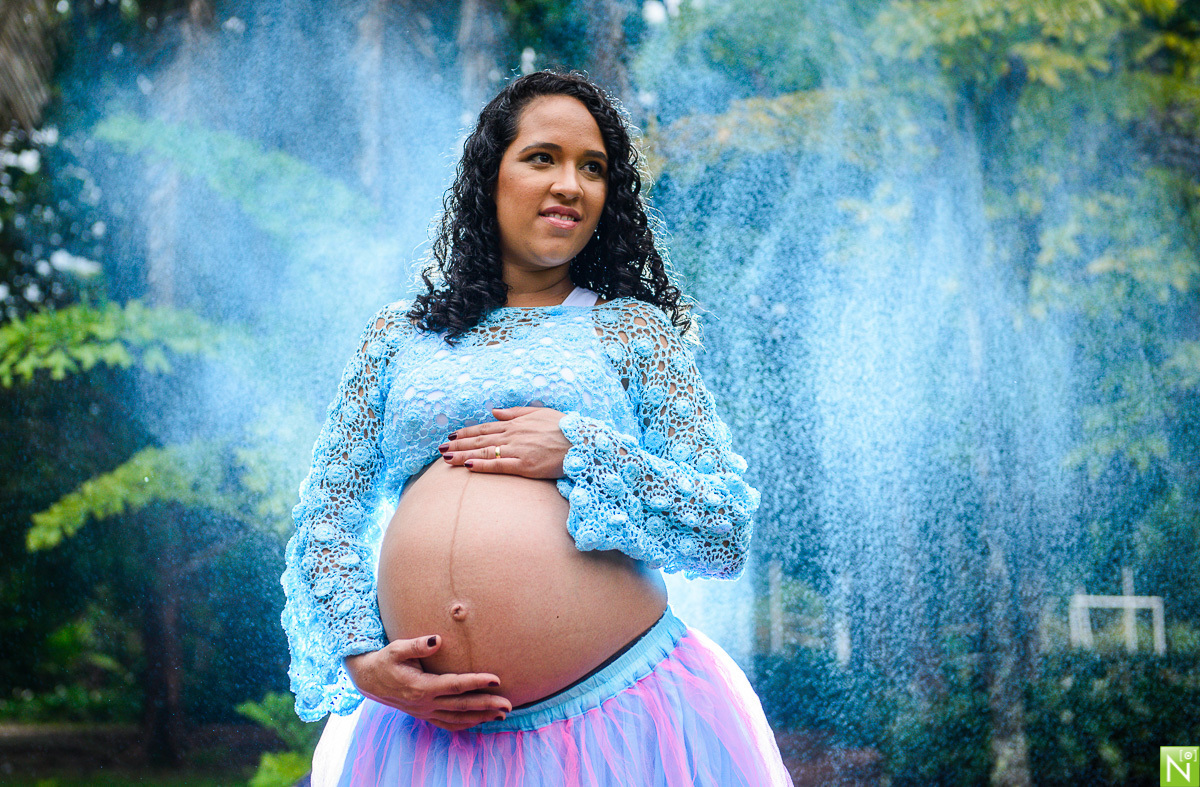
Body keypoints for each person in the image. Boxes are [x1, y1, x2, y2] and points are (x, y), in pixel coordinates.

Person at [281, 70, 793, 785]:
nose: (571, 185)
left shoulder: (634, 332)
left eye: (593, 168)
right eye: (543, 157)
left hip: (620, 727)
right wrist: (363, 657)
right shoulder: (397, 337)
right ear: (490, 175)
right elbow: (329, 514)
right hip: (426, 744)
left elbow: (721, 527)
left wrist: (580, 450)